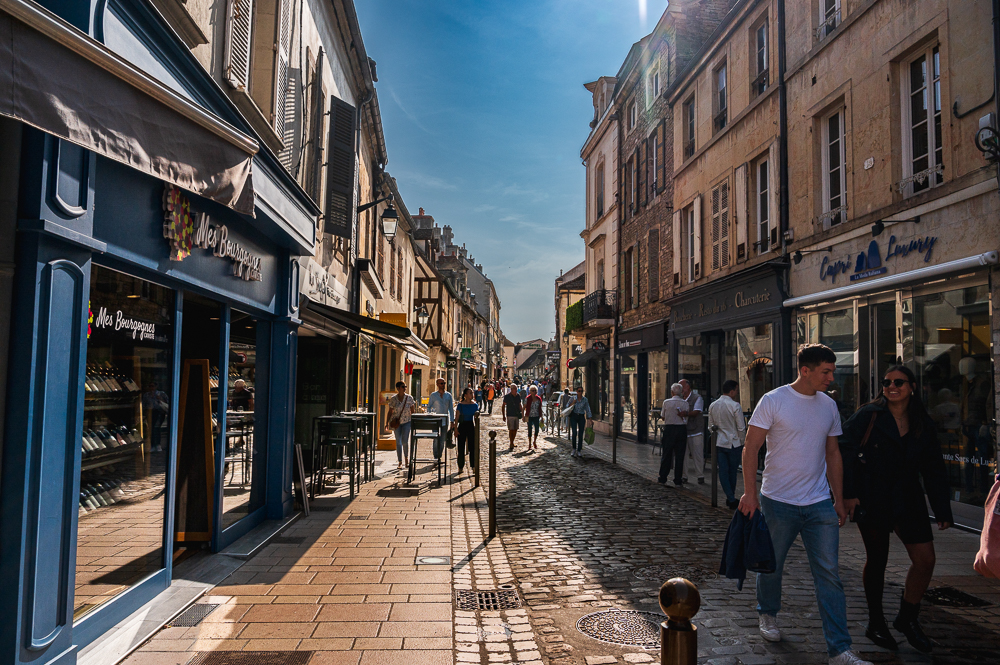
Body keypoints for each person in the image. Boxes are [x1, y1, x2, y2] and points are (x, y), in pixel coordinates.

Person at [739, 344, 871, 665]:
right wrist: (750, 493)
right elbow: (750, 448)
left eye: (832, 370)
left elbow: (833, 454)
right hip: (778, 501)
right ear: (806, 370)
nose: (831, 376)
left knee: (829, 574)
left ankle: (839, 650)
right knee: (772, 565)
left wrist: (838, 499)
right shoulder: (773, 401)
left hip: (819, 504)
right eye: (826, 371)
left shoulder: (828, 406)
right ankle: (767, 613)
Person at [841, 365, 952, 654]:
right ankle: (876, 622)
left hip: (908, 497)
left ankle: (907, 616)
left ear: (912, 387)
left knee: (925, 559)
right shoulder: (868, 415)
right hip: (872, 495)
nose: (891, 387)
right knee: (877, 559)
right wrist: (848, 494)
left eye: (899, 382)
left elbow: (933, 468)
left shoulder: (921, 422)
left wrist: (942, 509)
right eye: (887, 382)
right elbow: (844, 451)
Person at [708, 380, 746, 509]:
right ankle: (731, 497)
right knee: (732, 472)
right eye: (736, 390)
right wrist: (742, 441)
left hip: (719, 441)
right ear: (732, 391)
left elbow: (710, 426)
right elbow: (741, 427)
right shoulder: (735, 406)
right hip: (734, 442)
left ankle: (730, 497)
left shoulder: (713, 405)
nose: (736, 392)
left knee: (723, 471)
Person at [658, 383, 689, 485]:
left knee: (667, 454)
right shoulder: (685, 403)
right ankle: (678, 479)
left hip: (670, 429)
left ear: (672, 392)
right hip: (681, 429)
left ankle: (663, 477)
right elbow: (686, 417)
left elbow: (663, 416)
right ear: (680, 392)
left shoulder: (667, 402)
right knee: (680, 455)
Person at [678, 379, 705, 484]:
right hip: (684, 430)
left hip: (696, 430)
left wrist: (686, 413)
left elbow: (697, 411)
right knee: (684, 455)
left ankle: (700, 475)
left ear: (688, 387)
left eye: (682, 387)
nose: (681, 390)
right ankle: (684, 476)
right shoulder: (680, 399)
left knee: (697, 454)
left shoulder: (697, 398)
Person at [386, 381, 416, 470]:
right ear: (398, 388)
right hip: (397, 423)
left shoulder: (409, 398)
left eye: (405, 386)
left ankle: (406, 459)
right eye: (403, 386)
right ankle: (400, 461)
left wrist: (414, 422)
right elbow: (390, 411)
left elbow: (413, 411)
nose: (405, 388)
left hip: (407, 422)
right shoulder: (393, 399)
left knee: (405, 441)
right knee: (398, 442)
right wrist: (386, 422)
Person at [427, 378, 455, 459]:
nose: (443, 385)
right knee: (436, 439)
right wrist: (430, 415)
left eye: (444, 383)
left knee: (442, 440)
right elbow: (428, 407)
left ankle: (439, 456)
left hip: (445, 421)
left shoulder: (448, 395)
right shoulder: (433, 395)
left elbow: (451, 409)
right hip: (435, 421)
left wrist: (452, 421)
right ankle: (435, 456)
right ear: (437, 384)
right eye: (441, 383)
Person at [455, 387, 480, 474]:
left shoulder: (475, 405)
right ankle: (460, 466)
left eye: (472, 393)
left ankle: (473, 466)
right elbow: (457, 418)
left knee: (472, 447)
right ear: (465, 395)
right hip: (462, 425)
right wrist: (455, 429)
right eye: (470, 393)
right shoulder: (460, 405)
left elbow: (477, 418)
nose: (472, 394)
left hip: (470, 425)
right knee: (461, 447)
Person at [567, 386, 593, 458]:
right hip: (574, 416)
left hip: (581, 416)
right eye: (579, 391)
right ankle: (574, 448)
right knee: (574, 433)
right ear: (576, 391)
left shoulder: (585, 400)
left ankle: (579, 450)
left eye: (581, 391)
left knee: (581, 434)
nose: (580, 392)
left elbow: (588, 409)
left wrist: (590, 419)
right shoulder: (573, 398)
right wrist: (573, 403)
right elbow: (567, 406)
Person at [502, 384, 523, 448]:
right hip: (510, 414)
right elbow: (503, 406)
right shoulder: (507, 396)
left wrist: (522, 413)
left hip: (516, 415)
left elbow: (520, 405)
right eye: (514, 389)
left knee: (515, 429)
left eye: (516, 389)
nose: (516, 390)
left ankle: (512, 441)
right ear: (511, 389)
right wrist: (503, 415)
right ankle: (511, 442)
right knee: (511, 429)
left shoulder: (518, 396)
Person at [524, 385, 543, 451]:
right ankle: (529, 443)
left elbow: (540, 408)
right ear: (530, 391)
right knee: (529, 430)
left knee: (537, 429)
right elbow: (524, 407)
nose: (534, 392)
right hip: (529, 416)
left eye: (535, 390)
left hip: (536, 416)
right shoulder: (527, 398)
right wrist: (523, 416)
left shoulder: (539, 398)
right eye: (532, 390)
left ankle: (534, 441)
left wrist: (542, 417)